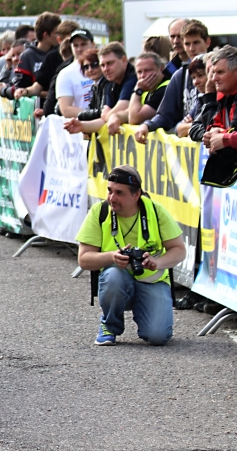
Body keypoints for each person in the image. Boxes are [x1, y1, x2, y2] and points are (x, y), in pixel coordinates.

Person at [76, 165, 185, 346]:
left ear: (136, 195)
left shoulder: (156, 211)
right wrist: (112, 257)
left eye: (119, 193)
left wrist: (157, 262)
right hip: (117, 279)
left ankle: (145, 308)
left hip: (152, 280)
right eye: (109, 191)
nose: (112, 198)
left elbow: (179, 250)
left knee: (158, 337)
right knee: (113, 276)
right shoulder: (99, 212)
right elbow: (84, 259)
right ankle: (109, 326)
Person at [134, 19, 209, 143]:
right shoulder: (180, 75)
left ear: (207, 42)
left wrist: (185, 126)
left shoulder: (217, 72)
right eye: (187, 44)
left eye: (196, 43)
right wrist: (147, 125)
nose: (191, 48)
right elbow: (165, 115)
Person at [64, 42, 137, 136]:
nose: (106, 69)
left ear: (124, 61)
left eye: (110, 63)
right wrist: (82, 126)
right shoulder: (111, 81)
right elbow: (104, 118)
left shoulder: (133, 77)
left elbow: (116, 111)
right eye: (102, 65)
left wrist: (108, 114)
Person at [203, 46, 237, 156]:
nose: (214, 78)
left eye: (220, 72)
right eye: (213, 72)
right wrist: (213, 131)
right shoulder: (225, 92)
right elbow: (205, 125)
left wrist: (222, 137)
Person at [0, 11, 61, 99]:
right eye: (56, 33)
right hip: (36, 105)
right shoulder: (27, 55)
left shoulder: (60, 53)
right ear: (46, 35)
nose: (59, 36)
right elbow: (20, 88)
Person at [15, 18, 79, 100]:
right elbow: (38, 87)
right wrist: (25, 91)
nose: (76, 47)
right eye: (70, 41)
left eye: (80, 43)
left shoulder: (86, 59)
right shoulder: (51, 58)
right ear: (59, 40)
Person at [53, 29, 97, 118]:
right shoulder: (65, 74)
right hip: (80, 124)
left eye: (83, 44)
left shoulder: (104, 67)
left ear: (93, 44)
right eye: (75, 45)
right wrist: (95, 115)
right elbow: (66, 110)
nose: (79, 49)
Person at [128, 52, 170, 125]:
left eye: (147, 70)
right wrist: (115, 116)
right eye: (139, 72)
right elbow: (129, 112)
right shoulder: (147, 89)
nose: (143, 75)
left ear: (161, 68)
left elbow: (134, 119)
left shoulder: (166, 88)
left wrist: (137, 90)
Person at [182, 54, 216, 142]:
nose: (196, 82)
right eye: (193, 78)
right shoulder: (202, 99)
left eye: (200, 75)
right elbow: (180, 129)